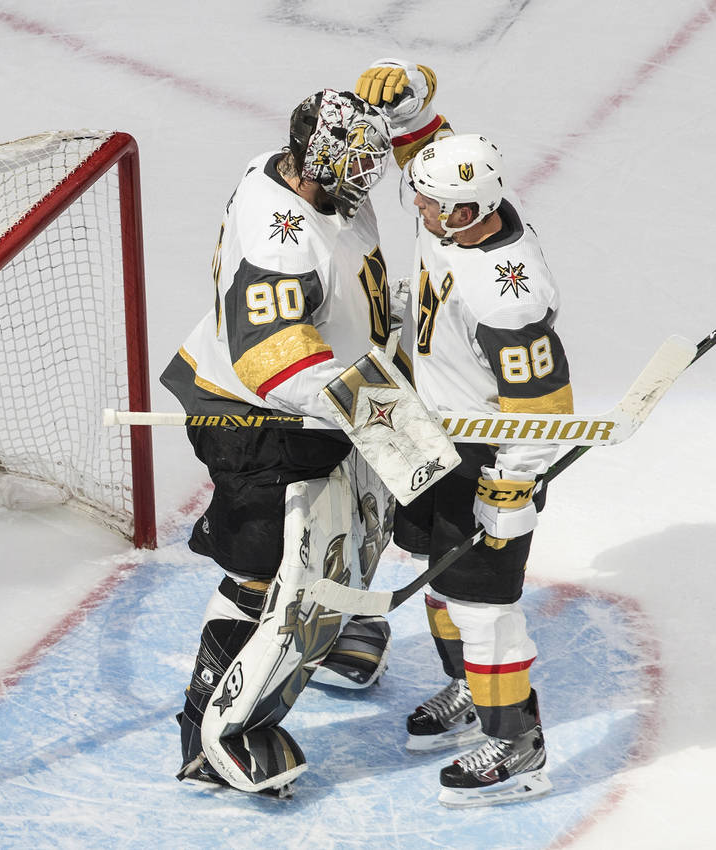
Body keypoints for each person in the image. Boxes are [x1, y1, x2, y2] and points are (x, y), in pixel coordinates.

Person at [159, 84, 444, 796]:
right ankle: (205, 733)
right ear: (312, 164)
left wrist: (410, 108)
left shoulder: (305, 174)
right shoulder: (279, 239)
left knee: (355, 521)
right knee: (261, 567)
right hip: (256, 424)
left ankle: (333, 627)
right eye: (356, 166)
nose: (372, 178)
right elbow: (270, 353)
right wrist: (378, 412)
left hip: (338, 403)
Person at [355, 60, 574, 808]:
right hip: (425, 425)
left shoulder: (508, 294)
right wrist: (413, 112)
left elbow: (544, 403)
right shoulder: (457, 208)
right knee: (432, 568)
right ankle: (463, 688)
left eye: (427, 199)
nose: (412, 197)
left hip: (482, 454)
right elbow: (429, 155)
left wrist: (511, 487)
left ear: (463, 212)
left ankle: (517, 743)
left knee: (484, 604)